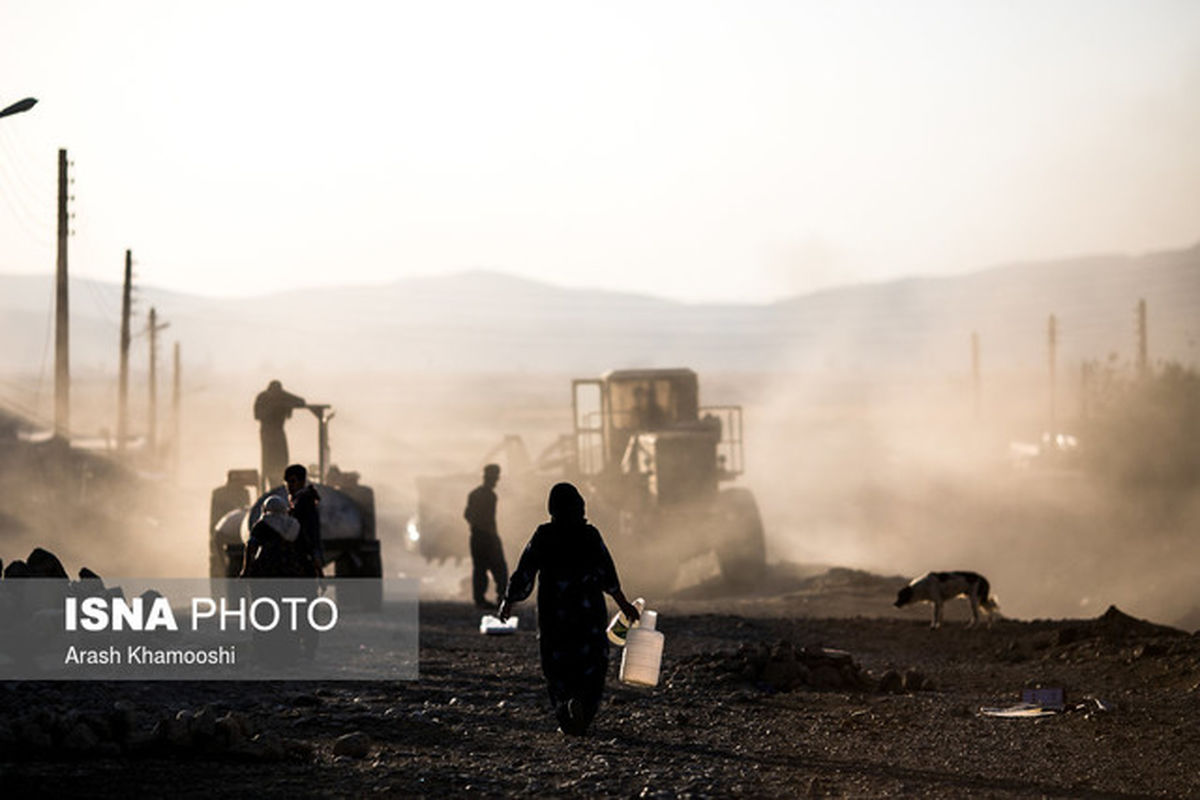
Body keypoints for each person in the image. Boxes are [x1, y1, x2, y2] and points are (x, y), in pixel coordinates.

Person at [498, 482, 641, 736]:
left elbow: (525, 572)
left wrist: (509, 601)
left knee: (557, 666)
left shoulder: (544, 535)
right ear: (580, 507)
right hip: (588, 614)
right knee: (592, 663)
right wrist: (624, 604)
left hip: (554, 615)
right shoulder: (590, 536)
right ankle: (583, 709)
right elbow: (607, 574)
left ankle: (566, 709)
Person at [464, 463, 507, 609]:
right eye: (495, 477)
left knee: (480, 569)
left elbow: (467, 514)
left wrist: (476, 526)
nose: (496, 481)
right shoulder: (491, 496)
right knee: (500, 568)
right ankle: (502, 597)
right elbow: (488, 519)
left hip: (476, 537)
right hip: (488, 537)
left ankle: (480, 599)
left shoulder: (474, 494)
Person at [254, 381, 306, 491]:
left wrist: (282, 401)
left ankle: (277, 484)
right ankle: (271, 486)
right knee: (268, 462)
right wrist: (274, 407)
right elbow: (257, 415)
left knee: (281, 460)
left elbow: (301, 402)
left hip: (277, 432)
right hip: (268, 432)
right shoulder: (263, 397)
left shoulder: (282, 397)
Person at [239, 495, 304, 578]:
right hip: (290, 569)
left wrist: (245, 570)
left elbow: (251, 546)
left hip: (266, 569)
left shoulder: (262, 525)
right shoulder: (293, 524)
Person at [284, 464, 323, 578]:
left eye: (292, 481)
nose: (289, 486)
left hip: (303, 557)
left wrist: (316, 563)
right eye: (287, 482)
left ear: (302, 482)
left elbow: (310, 532)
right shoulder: (299, 500)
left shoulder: (304, 502)